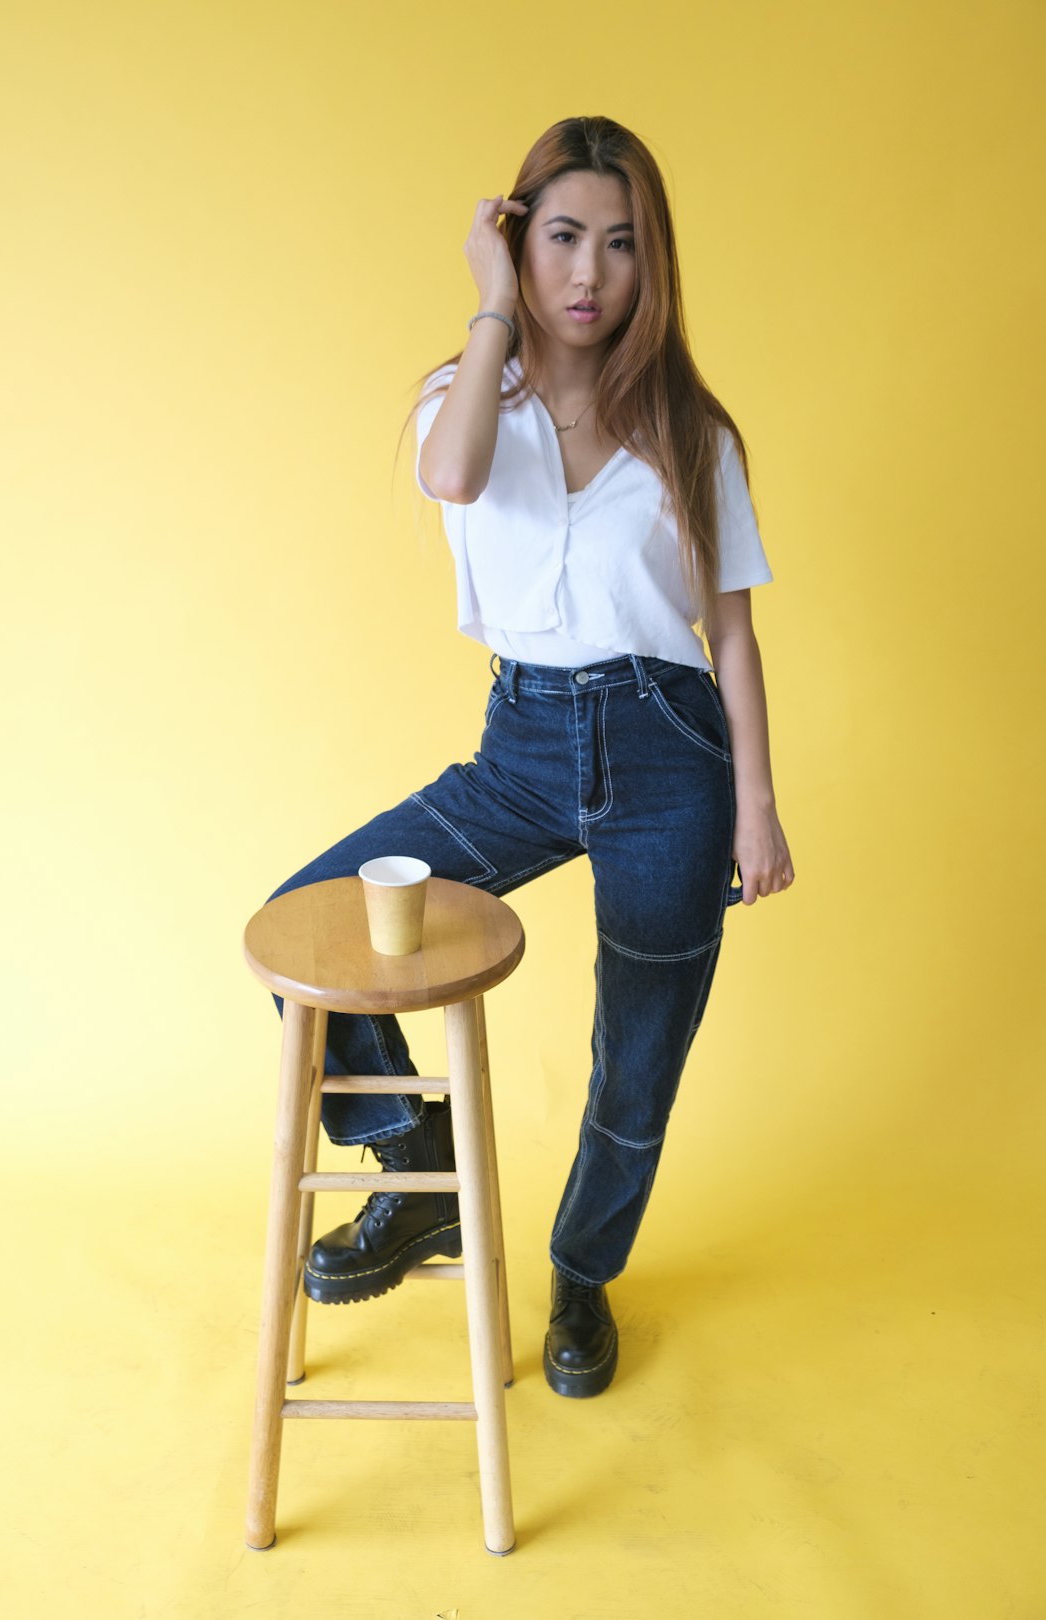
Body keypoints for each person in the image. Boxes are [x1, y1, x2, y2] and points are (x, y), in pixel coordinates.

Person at [265, 114, 795, 1399]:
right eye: (562, 236)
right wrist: (489, 301)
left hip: (672, 753)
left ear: (648, 262)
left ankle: (582, 1280)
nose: (591, 274)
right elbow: (451, 478)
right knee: (310, 929)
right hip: (524, 744)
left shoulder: (693, 433)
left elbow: (728, 630)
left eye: (620, 245)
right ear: (517, 238)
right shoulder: (471, 404)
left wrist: (760, 805)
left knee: (639, 1050)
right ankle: (417, 1168)